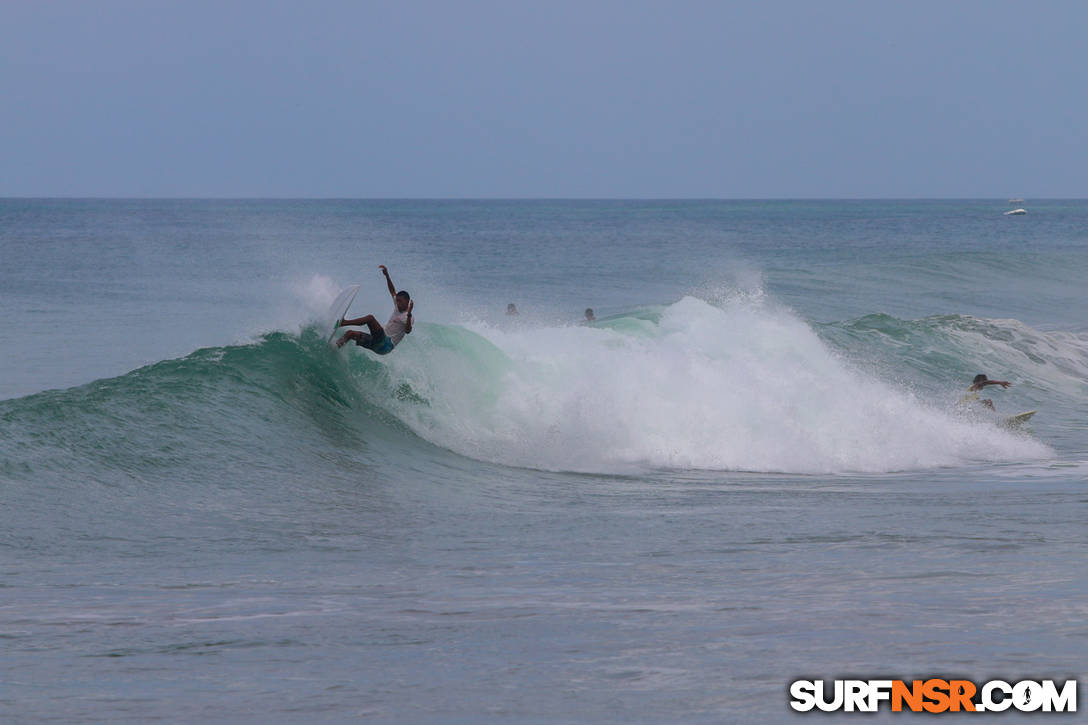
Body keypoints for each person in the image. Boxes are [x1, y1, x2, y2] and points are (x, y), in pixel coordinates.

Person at [335, 265, 413, 354]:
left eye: (400, 301)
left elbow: (408, 331)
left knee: (370, 318)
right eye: (397, 301)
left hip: (386, 345)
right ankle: (335, 347)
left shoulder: (408, 317)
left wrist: (409, 313)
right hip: (376, 344)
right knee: (350, 334)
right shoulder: (397, 306)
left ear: (407, 302)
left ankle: (344, 323)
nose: (398, 303)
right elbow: (392, 291)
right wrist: (387, 275)